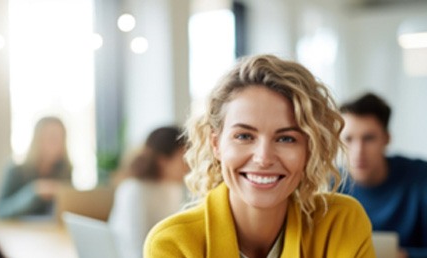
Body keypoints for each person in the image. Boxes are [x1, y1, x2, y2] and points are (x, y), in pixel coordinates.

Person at [144, 55, 375, 257]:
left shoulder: (341, 223)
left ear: (310, 149)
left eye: (286, 139)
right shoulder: (173, 243)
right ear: (216, 144)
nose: (263, 158)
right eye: (244, 136)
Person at [339, 93, 427, 258]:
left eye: (369, 138)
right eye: (348, 139)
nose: (358, 151)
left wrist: (402, 256)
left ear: (386, 138)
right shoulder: (331, 185)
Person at [108, 126, 189, 258]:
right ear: (163, 161)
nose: (188, 165)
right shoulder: (134, 190)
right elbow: (135, 248)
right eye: (183, 158)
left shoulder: (174, 188)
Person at [0, 116, 72, 219]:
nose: (57, 143)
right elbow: (0, 212)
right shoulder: (16, 170)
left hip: (52, 232)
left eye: (60, 138)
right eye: (52, 138)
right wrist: (34, 192)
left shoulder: (65, 171)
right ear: (38, 140)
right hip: (20, 232)